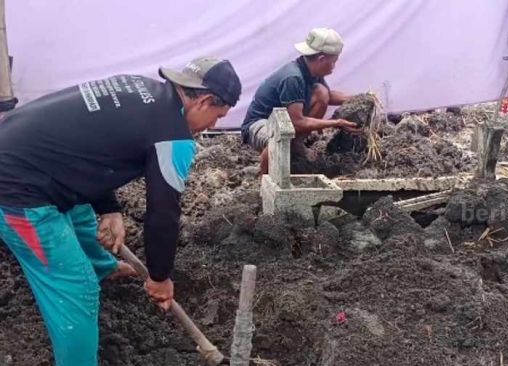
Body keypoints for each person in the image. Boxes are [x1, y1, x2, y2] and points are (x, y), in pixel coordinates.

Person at [0, 57, 241, 366]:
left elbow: (91, 150)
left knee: (81, 212)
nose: (214, 126)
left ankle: (104, 266)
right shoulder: (173, 137)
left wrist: (110, 208)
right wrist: (159, 277)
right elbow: (163, 214)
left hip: (21, 150)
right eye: (218, 116)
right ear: (204, 100)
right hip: (16, 191)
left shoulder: (140, 88)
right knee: (76, 286)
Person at [240, 27, 360, 173]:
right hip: (259, 123)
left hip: (284, 121)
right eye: (333, 62)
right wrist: (336, 123)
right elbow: (296, 122)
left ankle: (295, 145)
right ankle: (265, 178)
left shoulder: (311, 70)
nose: (334, 67)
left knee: (321, 93)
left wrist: (360, 99)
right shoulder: (293, 78)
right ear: (321, 59)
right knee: (279, 138)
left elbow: (328, 95)